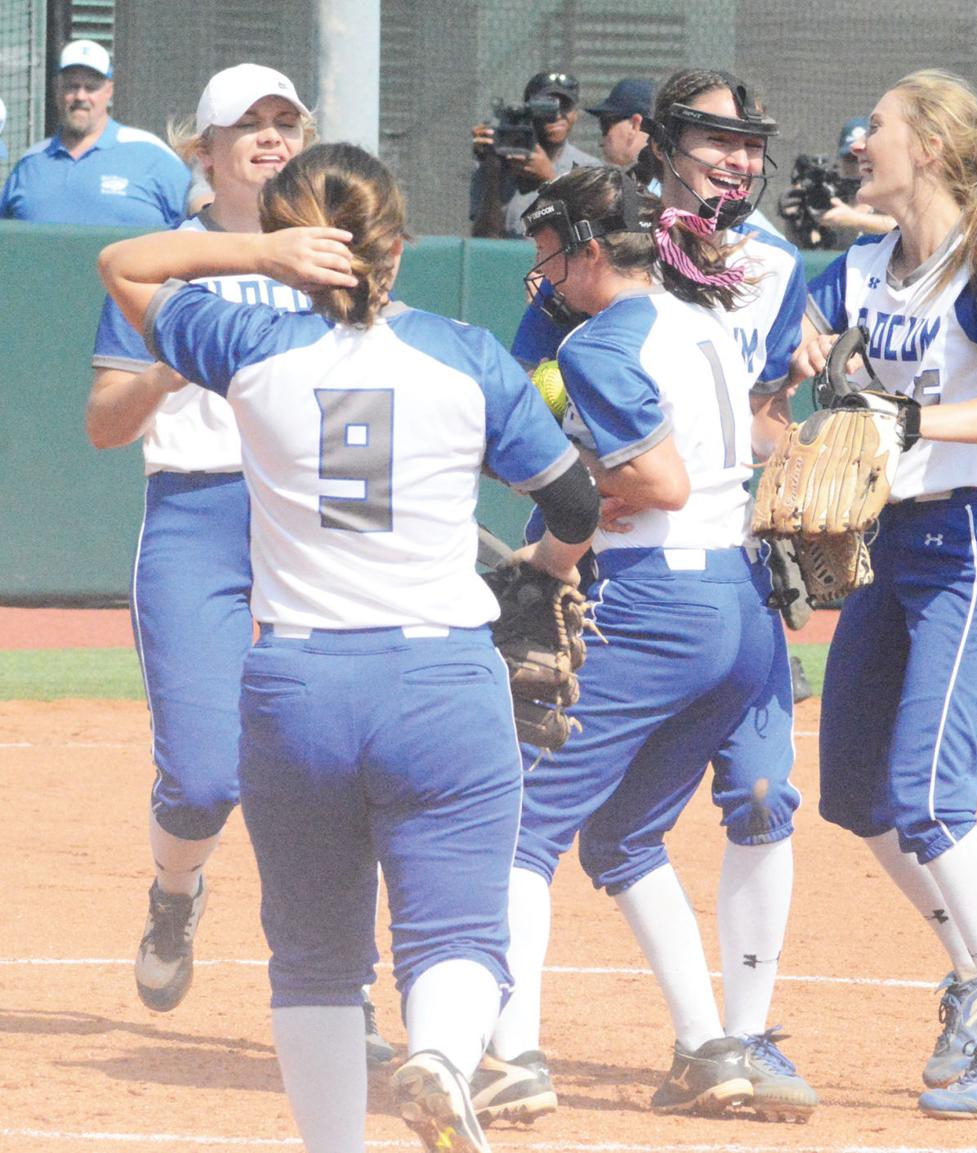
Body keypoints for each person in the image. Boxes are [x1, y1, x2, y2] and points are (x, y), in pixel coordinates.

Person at [97, 141, 599, 1153]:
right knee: (459, 935)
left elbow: (123, 264)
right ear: (399, 247)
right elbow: (578, 500)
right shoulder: (463, 353)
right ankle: (446, 1059)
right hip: (441, 677)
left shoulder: (246, 344)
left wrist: (263, 253)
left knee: (318, 962)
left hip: (300, 687)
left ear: (296, 244)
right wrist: (548, 562)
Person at [471, 159, 819, 1129]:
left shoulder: (601, 342)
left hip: (660, 596)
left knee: (520, 821)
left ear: (590, 252)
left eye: (548, 256)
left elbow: (658, 483)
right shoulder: (699, 315)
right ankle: (711, 1048)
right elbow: (735, 453)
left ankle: (512, 1056)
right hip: (740, 608)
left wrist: (553, 537)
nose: (542, 278)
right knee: (620, 832)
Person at [87, 62, 390, 1063]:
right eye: (245, 124)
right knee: (206, 779)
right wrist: (188, 342)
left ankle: (346, 993)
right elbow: (103, 425)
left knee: (338, 766)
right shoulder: (163, 264)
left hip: (311, 520)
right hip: (200, 513)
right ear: (202, 151)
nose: (269, 136)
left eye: (283, 120)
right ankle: (175, 895)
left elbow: (366, 410)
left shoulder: (344, 254)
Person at [795, 68, 977, 1119]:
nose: (861, 141)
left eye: (876, 126)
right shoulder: (864, 265)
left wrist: (907, 422)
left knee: (926, 793)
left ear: (928, 147)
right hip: (888, 545)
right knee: (855, 793)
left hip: (970, 544)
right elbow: (793, 360)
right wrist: (803, 355)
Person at [0, 39, 188, 225]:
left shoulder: (151, 153)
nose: (81, 96)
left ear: (109, 90)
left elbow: (200, 219)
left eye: (91, 87)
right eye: (72, 86)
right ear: (57, 88)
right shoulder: (30, 163)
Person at [469, 69, 600, 238]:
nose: (557, 115)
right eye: (546, 107)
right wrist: (491, 165)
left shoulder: (590, 169)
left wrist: (550, 180)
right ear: (528, 110)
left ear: (575, 114)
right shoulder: (503, 160)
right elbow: (483, 235)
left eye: (565, 106)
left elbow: (592, 234)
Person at [583, 77, 654, 169]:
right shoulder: (668, 177)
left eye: (605, 125)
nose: (601, 142)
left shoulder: (665, 181)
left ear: (634, 126)